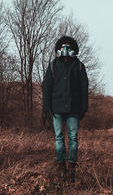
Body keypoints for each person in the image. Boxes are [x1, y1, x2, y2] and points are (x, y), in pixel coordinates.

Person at [42, 36, 89, 183]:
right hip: (56, 108)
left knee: (73, 138)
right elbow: (47, 88)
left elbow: (84, 89)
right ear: (59, 49)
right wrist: (46, 107)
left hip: (74, 108)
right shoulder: (53, 66)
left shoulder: (79, 66)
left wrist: (84, 108)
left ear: (74, 50)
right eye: (63, 47)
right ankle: (61, 168)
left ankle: (72, 169)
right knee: (59, 137)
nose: (66, 50)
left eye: (69, 48)